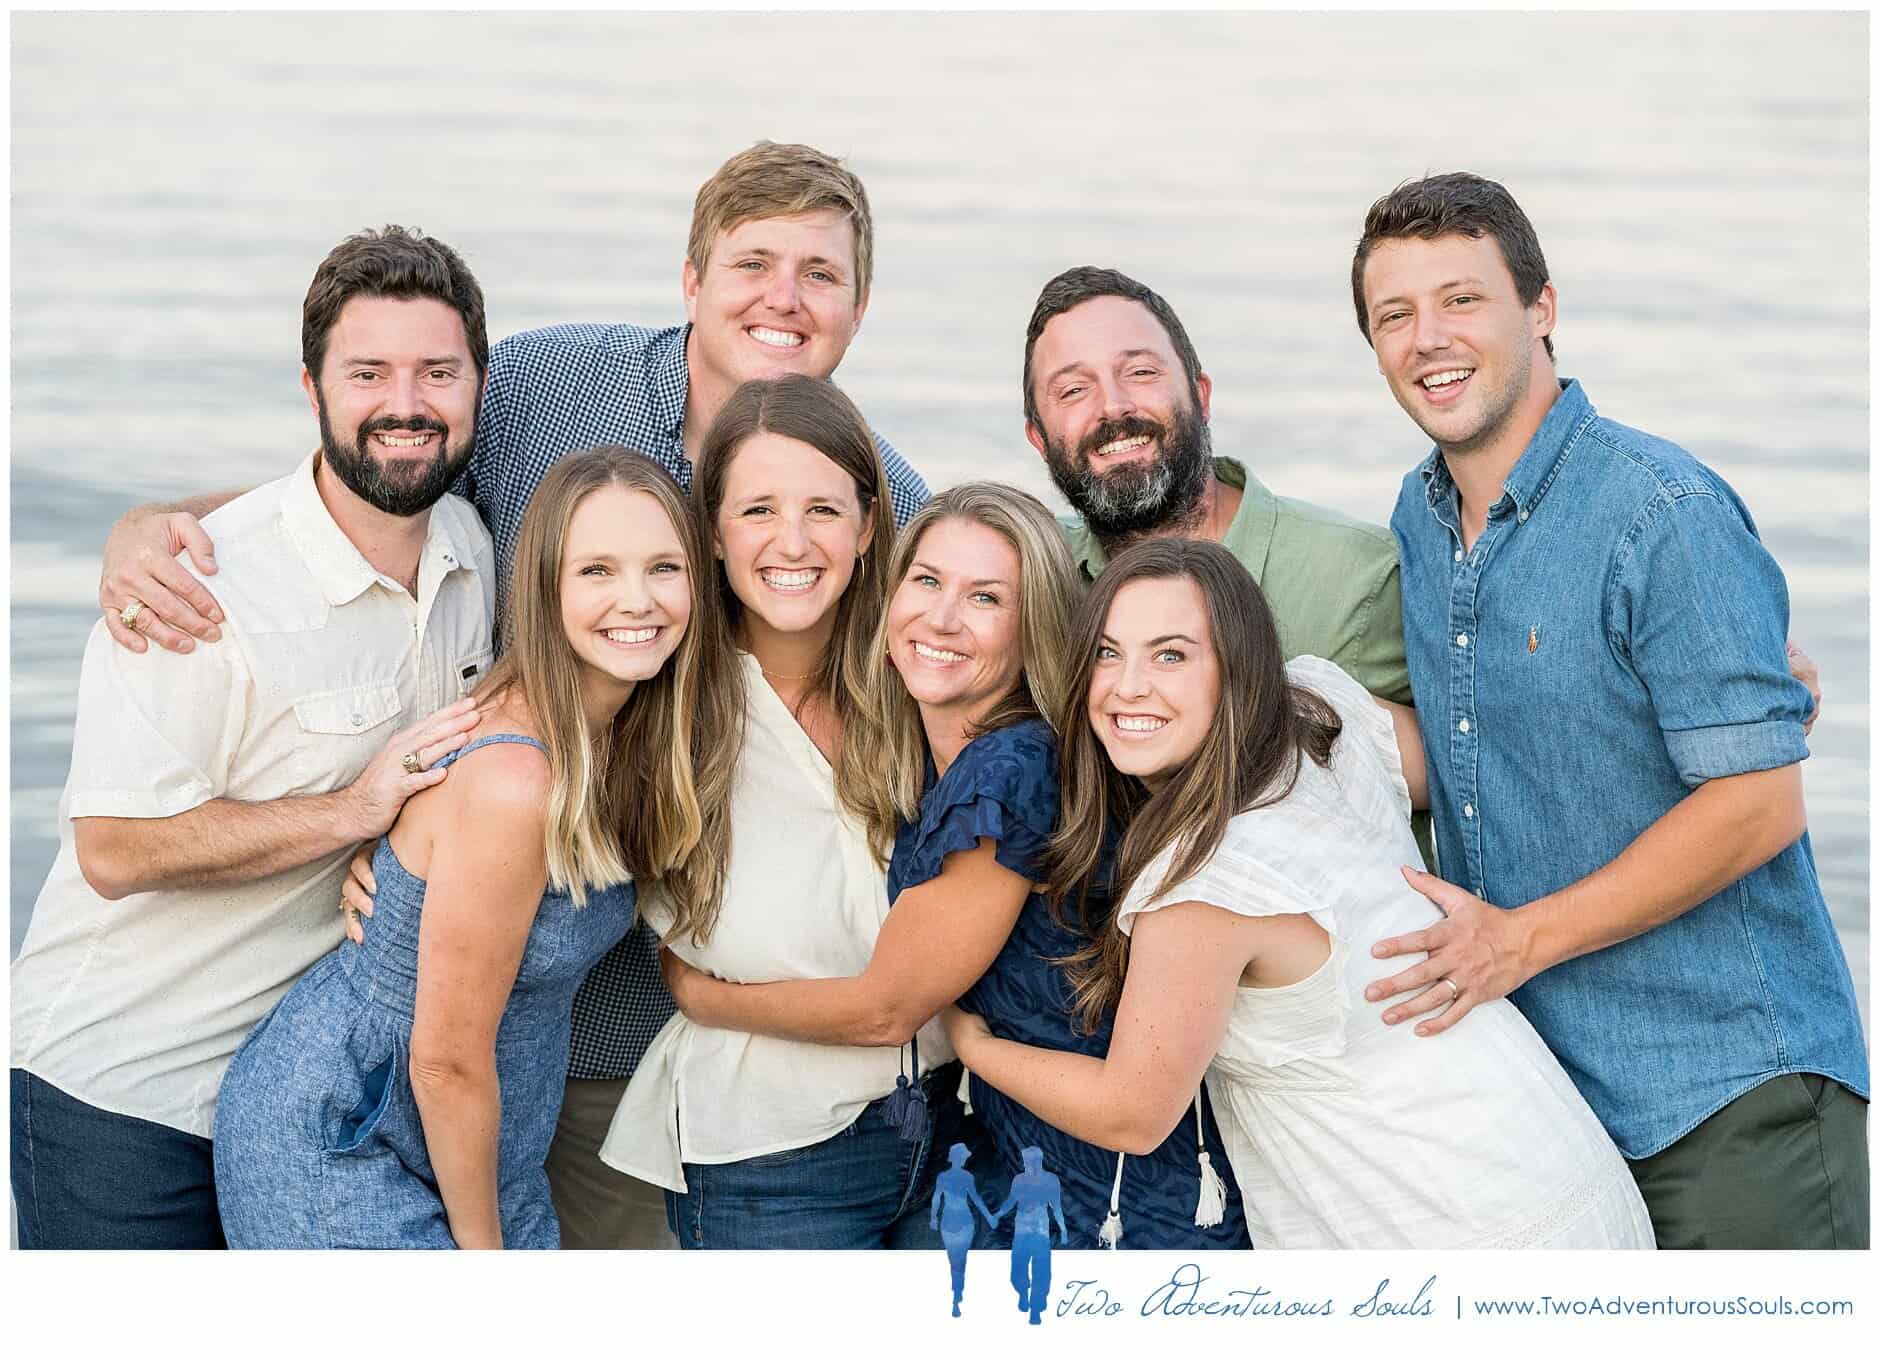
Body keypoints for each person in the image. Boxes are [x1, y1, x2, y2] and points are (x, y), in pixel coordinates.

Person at [93, 141, 931, 1249]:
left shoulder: (880, 503)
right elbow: (374, 477)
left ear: (858, 306)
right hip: (477, 1012)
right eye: (752, 262)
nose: (783, 298)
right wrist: (160, 525)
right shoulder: (549, 386)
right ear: (691, 280)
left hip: (659, 1019)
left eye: (818, 274)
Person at [1352, 172, 1868, 1248]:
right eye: (1393, 314)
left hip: (1728, 1098)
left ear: (1539, 308)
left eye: (1460, 299)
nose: (1427, 338)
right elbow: (1471, 741)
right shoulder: (1419, 513)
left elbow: (1756, 806)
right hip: (1551, 1110)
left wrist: (1513, 944)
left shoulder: (1660, 511)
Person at [948, 538, 1657, 1248]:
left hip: (1453, 1231)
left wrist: (974, 1047)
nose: (1128, 686)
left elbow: (1132, 1111)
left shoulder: (1204, 890)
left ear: (1236, 671)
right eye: (1108, 653)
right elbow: (1480, 770)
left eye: (1171, 655)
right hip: (1556, 1165)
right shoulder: (1314, 716)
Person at [8, 227, 496, 1248]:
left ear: (477, 385)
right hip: (125, 1097)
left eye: (436, 371)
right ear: (312, 390)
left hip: (294, 1097)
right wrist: (353, 812)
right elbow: (112, 847)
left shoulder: (470, 551)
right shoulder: (195, 590)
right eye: (368, 372)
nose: (405, 403)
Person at [657, 482, 1203, 1246]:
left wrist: (702, 997)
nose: (941, 619)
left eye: (985, 598)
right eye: (926, 581)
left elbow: (886, 1009)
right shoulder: (943, 762)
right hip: (1021, 1161)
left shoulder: (1010, 771)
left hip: (1103, 1197)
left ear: (1032, 627)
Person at [214, 448, 713, 1248]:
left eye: (664, 568)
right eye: (597, 571)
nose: (638, 600)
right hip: (349, 1131)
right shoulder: (517, 778)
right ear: (546, 588)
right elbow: (445, 1061)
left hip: (478, 1141)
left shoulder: (617, 733)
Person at [600, 374, 962, 1248]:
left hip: (958, 1125)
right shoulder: (657, 694)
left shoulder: (925, 673)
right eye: (757, 509)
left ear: (871, 526)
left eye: (824, 511)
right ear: (712, 533)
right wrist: (396, 852)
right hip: (770, 1150)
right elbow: (519, 755)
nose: (791, 542)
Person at [995, 1148, 1066, 1324]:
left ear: (1038, 1161)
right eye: (1026, 1161)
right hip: (1022, 1229)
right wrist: (997, 1215)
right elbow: (1011, 1201)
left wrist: (1063, 1229)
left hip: (1040, 1230)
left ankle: (1036, 1306)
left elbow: (1056, 1207)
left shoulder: (1050, 1180)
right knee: (1018, 1269)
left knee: (1041, 1270)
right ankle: (1022, 1293)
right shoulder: (1019, 1180)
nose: (1028, 1164)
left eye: (1030, 1161)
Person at [930, 1143, 996, 1318]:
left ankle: (957, 1298)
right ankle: (957, 1297)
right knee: (960, 1260)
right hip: (959, 1219)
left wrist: (933, 1218)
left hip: (954, 1220)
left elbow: (940, 1198)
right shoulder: (961, 1177)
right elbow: (974, 1199)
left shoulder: (947, 1177)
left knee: (956, 1260)